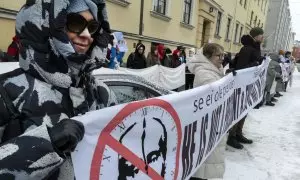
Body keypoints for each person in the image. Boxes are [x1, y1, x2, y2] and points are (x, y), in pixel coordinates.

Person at [0, 0, 117, 179]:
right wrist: (46, 143)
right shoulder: (7, 91)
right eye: (75, 23)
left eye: (93, 26)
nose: (87, 35)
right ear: (45, 24)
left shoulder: (102, 93)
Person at [188, 43, 227, 180]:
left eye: (223, 55)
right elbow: (216, 94)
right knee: (205, 162)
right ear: (208, 57)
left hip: (213, 122)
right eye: (218, 55)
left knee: (209, 161)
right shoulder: (205, 73)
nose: (222, 58)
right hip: (207, 125)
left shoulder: (215, 70)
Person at [227, 27, 264, 149]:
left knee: (244, 109)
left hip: (248, 84)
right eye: (260, 35)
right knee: (238, 110)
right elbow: (241, 68)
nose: (262, 37)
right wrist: (255, 64)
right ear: (255, 36)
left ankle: (238, 133)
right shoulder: (247, 49)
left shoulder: (255, 48)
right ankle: (231, 136)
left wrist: (260, 62)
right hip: (241, 85)